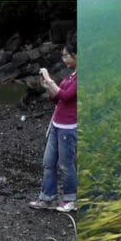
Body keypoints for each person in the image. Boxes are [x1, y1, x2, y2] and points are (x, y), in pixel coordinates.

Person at [29, 41, 77, 213]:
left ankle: (71, 200)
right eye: (63, 56)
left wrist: (49, 80)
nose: (64, 59)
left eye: (66, 55)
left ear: (77, 55)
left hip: (69, 128)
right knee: (48, 162)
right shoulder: (71, 76)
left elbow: (65, 96)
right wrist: (47, 87)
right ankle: (47, 197)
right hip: (56, 125)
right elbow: (57, 99)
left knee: (66, 164)